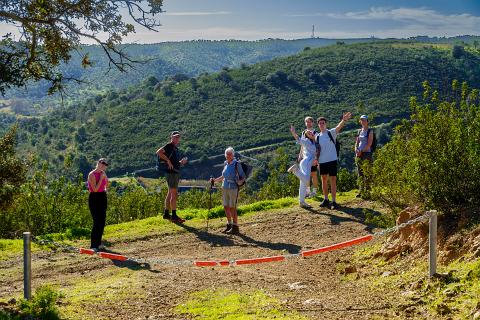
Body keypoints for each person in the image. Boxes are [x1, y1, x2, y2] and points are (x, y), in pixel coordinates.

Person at [316, 112, 352, 209]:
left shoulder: (331, 132)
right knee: (324, 180)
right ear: (318, 125)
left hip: (332, 160)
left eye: (323, 123)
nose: (322, 124)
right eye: (320, 123)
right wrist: (317, 161)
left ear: (326, 124)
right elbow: (317, 150)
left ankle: (334, 201)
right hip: (322, 161)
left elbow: (339, 127)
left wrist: (344, 120)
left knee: (333, 180)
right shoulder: (317, 136)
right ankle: (326, 199)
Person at [210, 147, 245, 235]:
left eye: (230, 154)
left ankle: (235, 226)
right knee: (226, 206)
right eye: (227, 154)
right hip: (225, 187)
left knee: (232, 207)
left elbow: (243, 176)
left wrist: (240, 182)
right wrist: (215, 180)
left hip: (233, 188)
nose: (228, 156)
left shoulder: (237, 164)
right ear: (225, 155)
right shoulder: (226, 163)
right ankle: (229, 225)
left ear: (233, 155)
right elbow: (223, 176)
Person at [156, 131, 188, 223]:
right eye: (175, 137)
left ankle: (166, 214)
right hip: (171, 173)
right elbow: (158, 152)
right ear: (171, 137)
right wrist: (168, 161)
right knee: (174, 194)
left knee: (170, 193)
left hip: (172, 172)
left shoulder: (174, 148)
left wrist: (180, 163)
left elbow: (174, 161)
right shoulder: (169, 145)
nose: (177, 138)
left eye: (178, 137)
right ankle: (174, 216)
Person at [288, 125, 317, 208]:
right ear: (306, 136)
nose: (310, 133)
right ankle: (295, 170)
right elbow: (298, 139)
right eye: (308, 133)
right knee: (307, 181)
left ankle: (302, 202)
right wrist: (293, 132)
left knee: (303, 183)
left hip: (305, 162)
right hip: (306, 162)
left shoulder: (314, 142)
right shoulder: (307, 141)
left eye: (310, 132)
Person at [87, 158, 109, 251]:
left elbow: (106, 185)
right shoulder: (92, 174)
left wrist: (105, 189)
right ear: (98, 163)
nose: (103, 165)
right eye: (102, 163)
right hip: (94, 198)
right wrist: (101, 178)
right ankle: (93, 245)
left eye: (105, 164)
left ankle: (99, 244)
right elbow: (95, 189)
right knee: (96, 222)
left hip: (102, 197)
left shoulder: (103, 174)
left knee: (102, 221)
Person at [299, 116, 319, 198]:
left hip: (312, 157)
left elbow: (318, 146)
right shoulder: (303, 132)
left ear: (312, 123)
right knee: (305, 174)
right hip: (305, 157)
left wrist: (316, 158)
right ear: (305, 123)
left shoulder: (315, 133)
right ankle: (307, 191)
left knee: (313, 174)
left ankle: (314, 192)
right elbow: (302, 144)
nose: (308, 123)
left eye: (310, 121)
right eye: (307, 122)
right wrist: (300, 154)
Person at [355, 115, 374, 198]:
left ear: (367, 121)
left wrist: (361, 151)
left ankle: (368, 191)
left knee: (367, 173)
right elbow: (357, 142)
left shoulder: (370, 131)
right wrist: (356, 149)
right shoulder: (359, 131)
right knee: (360, 173)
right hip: (359, 154)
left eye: (364, 120)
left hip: (366, 154)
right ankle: (361, 191)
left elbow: (369, 144)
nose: (363, 122)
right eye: (361, 120)